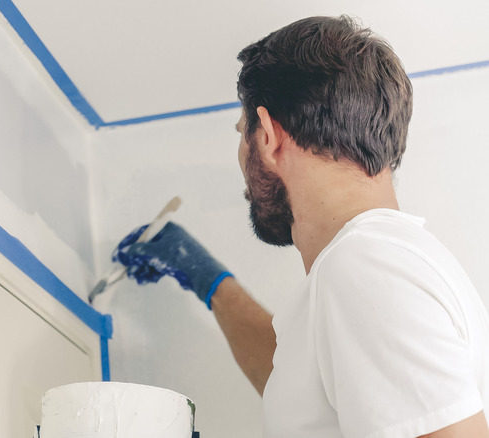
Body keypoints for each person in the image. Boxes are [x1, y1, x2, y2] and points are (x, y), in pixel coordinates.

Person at [112, 16, 489, 438]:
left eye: (243, 132)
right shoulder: (379, 265)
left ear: (269, 136)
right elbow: (296, 386)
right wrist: (206, 278)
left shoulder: (364, 268)